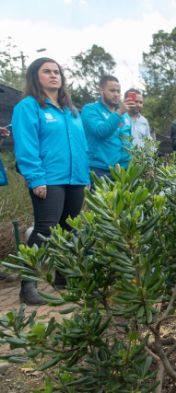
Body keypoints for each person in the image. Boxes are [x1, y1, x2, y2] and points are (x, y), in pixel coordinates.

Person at [12, 57, 90, 305]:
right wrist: (35, 178)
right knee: (45, 230)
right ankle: (27, 285)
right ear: (36, 77)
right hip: (48, 178)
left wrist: (84, 176)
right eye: (47, 71)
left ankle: (63, 277)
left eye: (57, 71)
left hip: (75, 178)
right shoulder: (28, 107)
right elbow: (26, 146)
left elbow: (82, 145)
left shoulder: (71, 110)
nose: (54, 75)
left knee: (69, 229)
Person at [82, 75, 134, 180]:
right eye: (112, 90)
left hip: (122, 170)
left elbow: (128, 141)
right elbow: (100, 132)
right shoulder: (90, 110)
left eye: (118, 91)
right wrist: (119, 113)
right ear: (101, 91)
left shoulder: (125, 115)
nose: (116, 94)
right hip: (99, 169)